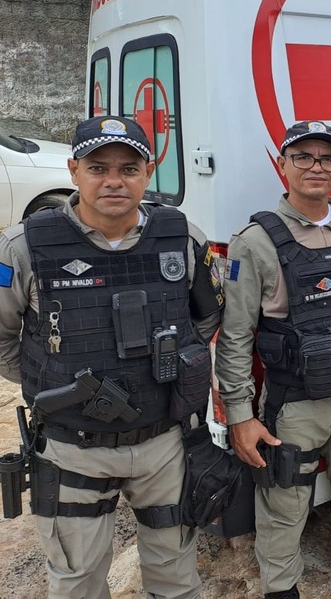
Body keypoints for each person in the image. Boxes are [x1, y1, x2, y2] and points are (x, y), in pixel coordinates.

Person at [0, 116, 224, 599]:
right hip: (71, 445)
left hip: (164, 442)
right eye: (98, 167)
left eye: (129, 167)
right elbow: (2, 340)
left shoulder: (183, 239)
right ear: (74, 169)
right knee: (77, 582)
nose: (114, 180)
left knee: (177, 578)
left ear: (149, 172)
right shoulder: (24, 247)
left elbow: (204, 322)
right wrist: (55, 385)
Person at [214, 121, 331, 599]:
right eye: (303, 157)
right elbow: (235, 337)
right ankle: (281, 589)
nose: (316, 167)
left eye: (327, 159)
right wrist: (239, 415)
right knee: (284, 500)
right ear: (282, 166)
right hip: (294, 400)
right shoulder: (254, 242)